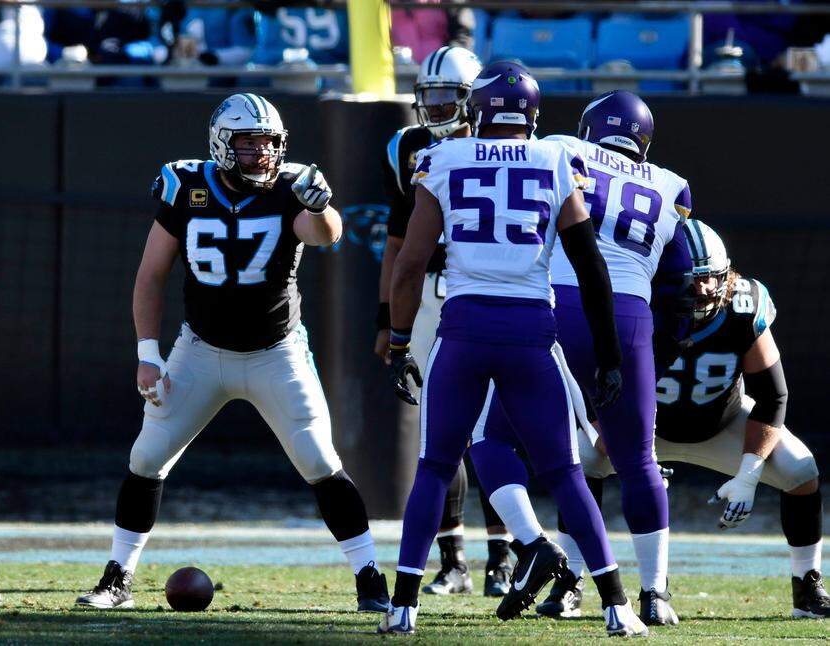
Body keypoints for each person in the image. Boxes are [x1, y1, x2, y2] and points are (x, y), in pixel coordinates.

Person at [75, 93, 390, 613]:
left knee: (319, 460)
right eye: (249, 144)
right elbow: (150, 275)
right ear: (222, 145)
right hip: (200, 350)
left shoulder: (292, 186)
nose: (262, 155)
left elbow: (326, 235)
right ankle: (117, 578)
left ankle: (368, 578)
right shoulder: (186, 186)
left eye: (269, 144)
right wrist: (147, 352)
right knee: (146, 457)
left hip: (276, 352)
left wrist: (322, 206)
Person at [379, 62, 646, 637]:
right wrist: (608, 355)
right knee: (567, 474)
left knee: (435, 466)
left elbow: (408, 267)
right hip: (532, 333)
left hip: (462, 331)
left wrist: (401, 340)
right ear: (530, 114)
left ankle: (403, 607)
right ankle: (618, 607)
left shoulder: (443, 159)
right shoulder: (554, 158)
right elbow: (590, 265)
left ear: (478, 109)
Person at [475, 91, 695, 627]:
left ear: (589, 127)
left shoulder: (558, 147)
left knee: (490, 436)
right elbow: (681, 284)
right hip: (631, 316)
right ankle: (654, 593)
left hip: (558, 303)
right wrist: (652, 350)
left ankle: (532, 546)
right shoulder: (672, 186)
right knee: (638, 457)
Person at [553, 220, 830, 620]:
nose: (703, 290)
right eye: (690, 279)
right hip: (641, 427)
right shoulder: (632, 303)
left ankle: (807, 587)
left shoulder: (743, 307)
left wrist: (749, 473)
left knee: (801, 471)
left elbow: (773, 395)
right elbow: (590, 375)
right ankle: (570, 581)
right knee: (581, 461)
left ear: (726, 274)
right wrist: (602, 429)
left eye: (712, 279)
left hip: (722, 422)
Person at [375, 45, 514, 598]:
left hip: (483, 290)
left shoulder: (502, 142)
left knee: (494, 427)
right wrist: (387, 316)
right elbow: (395, 242)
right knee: (442, 429)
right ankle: (454, 561)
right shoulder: (407, 147)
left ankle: (502, 557)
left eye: (446, 97)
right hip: (428, 293)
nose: (434, 108)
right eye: (428, 96)